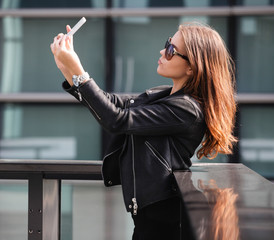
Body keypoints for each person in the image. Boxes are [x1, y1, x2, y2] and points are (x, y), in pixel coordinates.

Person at [50, 21, 237, 239]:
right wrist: (67, 66)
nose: (162, 51)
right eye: (168, 43)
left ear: (191, 67)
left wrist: (78, 70)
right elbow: (110, 103)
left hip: (167, 222)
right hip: (153, 217)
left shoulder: (188, 109)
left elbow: (117, 120)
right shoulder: (164, 95)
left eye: (171, 51)